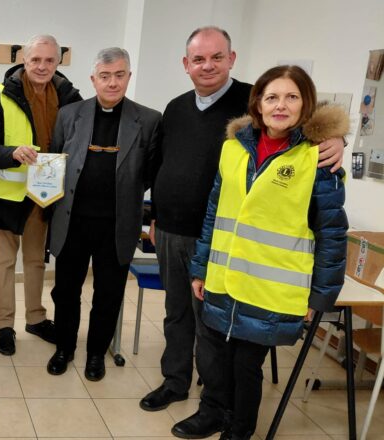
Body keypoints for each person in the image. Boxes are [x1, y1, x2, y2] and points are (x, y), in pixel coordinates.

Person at [142, 27, 346, 435]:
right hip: (192, 242)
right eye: (198, 59)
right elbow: (174, 172)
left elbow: (329, 230)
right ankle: (180, 385)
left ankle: (229, 415)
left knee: (226, 344)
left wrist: (337, 137)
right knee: (179, 316)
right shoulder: (188, 114)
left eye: (217, 56)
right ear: (186, 65)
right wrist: (156, 215)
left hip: (250, 265)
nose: (207, 65)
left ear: (232, 59)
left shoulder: (267, 114)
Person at [189, 65, 348, 440]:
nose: (280, 105)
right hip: (225, 278)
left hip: (272, 289)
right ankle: (216, 414)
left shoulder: (318, 159)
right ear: (257, 104)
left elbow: (332, 234)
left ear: (305, 104)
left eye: (291, 97)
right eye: (272, 97)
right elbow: (215, 213)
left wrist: (320, 296)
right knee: (220, 358)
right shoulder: (233, 148)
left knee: (246, 365)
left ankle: (239, 430)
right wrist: (200, 269)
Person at [46, 48, 160, 381]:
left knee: (108, 295)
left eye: (119, 75)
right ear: (93, 79)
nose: (112, 83)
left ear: (128, 76)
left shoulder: (149, 120)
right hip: (72, 223)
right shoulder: (68, 115)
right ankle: (64, 348)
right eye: (105, 76)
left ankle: (96, 353)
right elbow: (55, 161)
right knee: (66, 291)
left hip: (118, 225)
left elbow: (154, 172)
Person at [0, 34, 81, 356]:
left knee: (36, 262)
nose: (42, 66)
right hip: (8, 198)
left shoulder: (71, 97)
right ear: (24, 60)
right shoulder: (1, 96)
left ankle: (35, 319)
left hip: (46, 197)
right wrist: (12, 153)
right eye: (36, 59)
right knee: (4, 263)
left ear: (58, 61)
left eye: (49, 60)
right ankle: (4, 326)